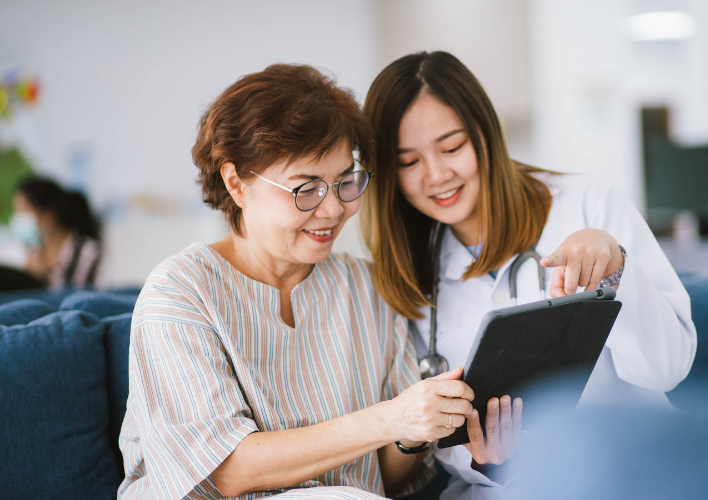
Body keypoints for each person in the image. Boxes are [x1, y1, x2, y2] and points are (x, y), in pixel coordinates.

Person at [119, 64, 476, 500]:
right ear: (237, 184)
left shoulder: (363, 288)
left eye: (345, 182)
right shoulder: (181, 293)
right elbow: (228, 470)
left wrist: (414, 431)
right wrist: (387, 419)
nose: (332, 211)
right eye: (306, 189)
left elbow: (385, 476)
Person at [361, 51, 698, 500]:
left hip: (633, 467)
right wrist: (493, 463)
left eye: (451, 147)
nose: (437, 175)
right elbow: (434, 442)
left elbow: (667, 368)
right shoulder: (408, 275)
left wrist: (617, 266)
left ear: (485, 134)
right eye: (408, 162)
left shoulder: (587, 204)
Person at [11, 177, 103, 288]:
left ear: (48, 215)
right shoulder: (31, 257)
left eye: (23, 210)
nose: (17, 218)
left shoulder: (90, 255)